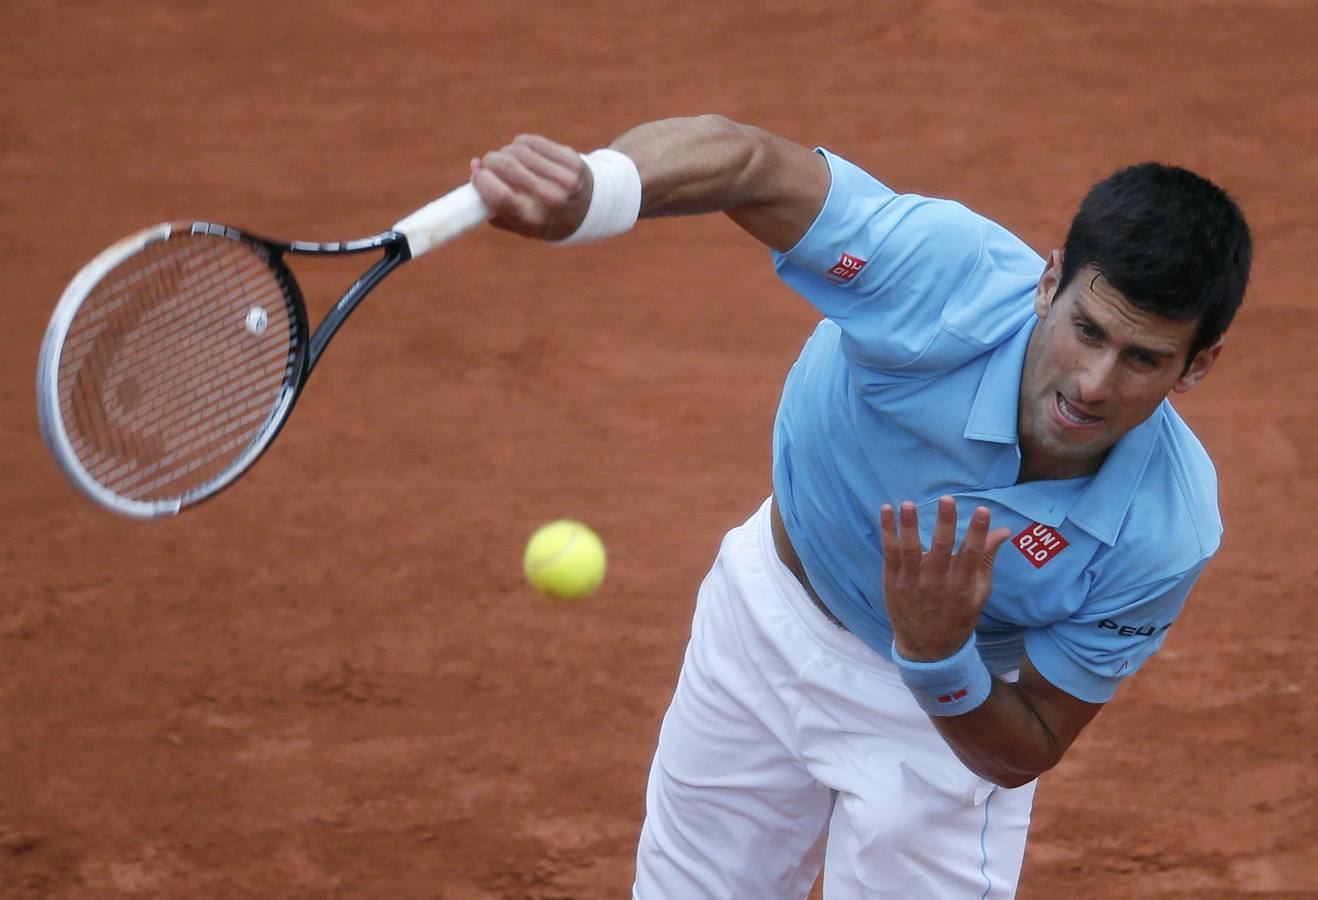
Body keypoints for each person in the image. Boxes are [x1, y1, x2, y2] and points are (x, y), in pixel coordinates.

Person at [467, 115, 1252, 899]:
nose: (1092, 383)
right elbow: (750, 166)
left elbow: (1030, 745)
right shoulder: (941, 278)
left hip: (945, 723)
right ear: (1048, 284)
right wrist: (599, 192)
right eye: (1086, 330)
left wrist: (939, 657)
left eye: (1142, 359)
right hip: (764, 621)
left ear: (1197, 365)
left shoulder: (1166, 532)